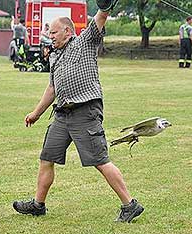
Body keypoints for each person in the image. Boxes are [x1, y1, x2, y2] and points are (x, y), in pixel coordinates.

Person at [12, 8, 144, 222]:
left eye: (54, 33)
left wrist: (105, 5)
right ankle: (38, 205)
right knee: (47, 158)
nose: (50, 36)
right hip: (62, 115)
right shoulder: (55, 56)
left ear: (67, 31)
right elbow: (52, 88)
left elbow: (101, 17)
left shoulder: (84, 43)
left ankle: (130, 205)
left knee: (100, 161)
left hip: (85, 112)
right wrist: (36, 113)